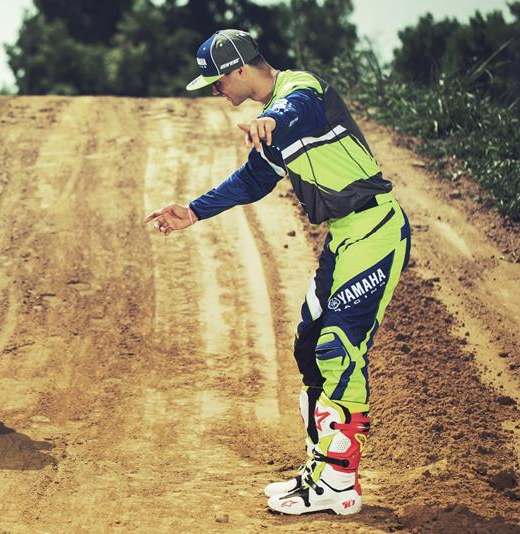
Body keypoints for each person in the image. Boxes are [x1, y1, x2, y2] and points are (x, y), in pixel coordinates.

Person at [144, 30, 410, 516]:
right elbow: (254, 179)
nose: (215, 91)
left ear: (240, 69)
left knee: (337, 348)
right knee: (309, 346)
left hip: (376, 230)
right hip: (345, 237)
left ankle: (340, 482)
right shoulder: (274, 122)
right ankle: (320, 467)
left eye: (217, 81)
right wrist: (194, 211)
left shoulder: (300, 91)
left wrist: (270, 119)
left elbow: (297, 108)